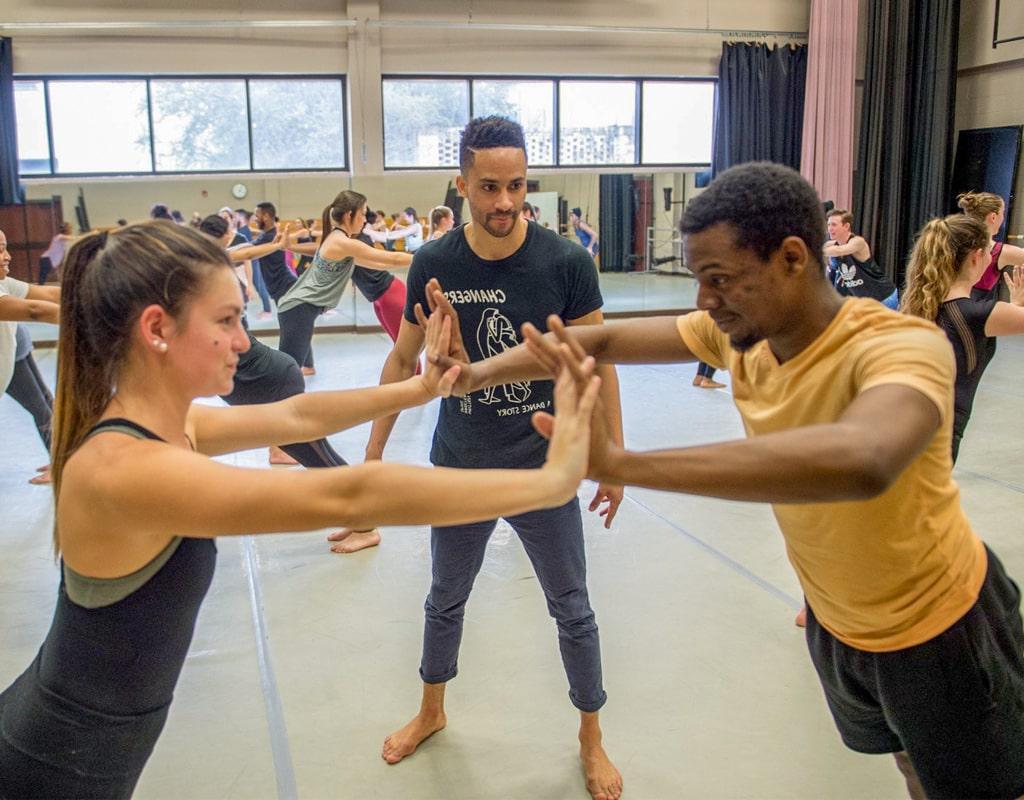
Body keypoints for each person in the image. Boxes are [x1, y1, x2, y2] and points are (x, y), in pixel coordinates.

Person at [430, 161, 1024, 799]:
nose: (705, 302)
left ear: (793, 258)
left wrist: (624, 465)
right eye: (699, 281)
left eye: (720, 281)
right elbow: (592, 344)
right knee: (914, 772)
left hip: (943, 630)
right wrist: (472, 376)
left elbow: (863, 461)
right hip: (839, 626)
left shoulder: (899, 346)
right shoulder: (740, 337)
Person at [0, 219, 601, 799]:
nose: (243, 341)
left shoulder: (163, 425)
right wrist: (544, 484)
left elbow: (297, 416)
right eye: (228, 320)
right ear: (157, 328)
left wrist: (422, 387)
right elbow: (349, 495)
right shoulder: (125, 471)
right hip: (57, 762)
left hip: (84, 743)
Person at [366, 116, 625, 800]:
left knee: (573, 607)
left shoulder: (566, 262)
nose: (505, 202)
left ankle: (590, 738)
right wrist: (372, 450)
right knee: (444, 598)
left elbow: (602, 359)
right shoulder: (434, 261)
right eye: (488, 187)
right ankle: (431, 710)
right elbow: (402, 358)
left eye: (515, 186)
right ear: (461, 184)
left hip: (543, 470)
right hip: (460, 466)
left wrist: (613, 456)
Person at [901, 214, 1024, 461]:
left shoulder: (924, 306)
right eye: (990, 250)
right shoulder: (975, 314)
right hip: (935, 438)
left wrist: (1016, 305)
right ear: (977, 257)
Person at [277, 191, 412, 386]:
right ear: (349, 215)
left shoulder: (338, 240)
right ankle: (274, 413)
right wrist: (428, 257)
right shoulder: (342, 242)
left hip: (299, 309)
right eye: (363, 214)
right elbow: (391, 258)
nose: (365, 220)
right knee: (288, 377)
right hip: (298, 308)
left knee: (290, 373)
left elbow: (379, 264)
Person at [7, 325, 55, 484]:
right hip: (15, 336)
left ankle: (59, 465)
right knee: (45, 400)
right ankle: (63, 459)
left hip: (7, 346)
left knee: (39, 407)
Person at [956, 191, 1024, 300]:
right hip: (976, 313)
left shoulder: (953, 243)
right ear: (993, 217)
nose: (1003, 218)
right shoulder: (999, 251)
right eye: (1003, 213)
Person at [823, 210, 898, 308]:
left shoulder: (858, 242)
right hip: (866, 301)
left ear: (846, 226)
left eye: (834, 225)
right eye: (828, 225)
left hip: (883, 297)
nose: (830, 229)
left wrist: (817, 250)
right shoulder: (831, 245)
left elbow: (839, 250)